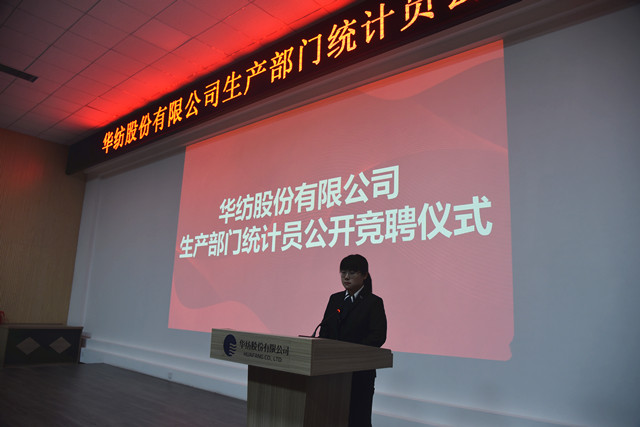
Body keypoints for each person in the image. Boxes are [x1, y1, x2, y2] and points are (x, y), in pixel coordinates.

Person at [319, 254, 387, 427]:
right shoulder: (335, 299)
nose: (346, 277)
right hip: (332, 372)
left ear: (364, 275)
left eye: (352, 272)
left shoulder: (373, 302)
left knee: (358, 420)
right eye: (343, 272)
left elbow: (378, 336)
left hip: (360, 374)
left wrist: (348, 352)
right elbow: (324, 330)